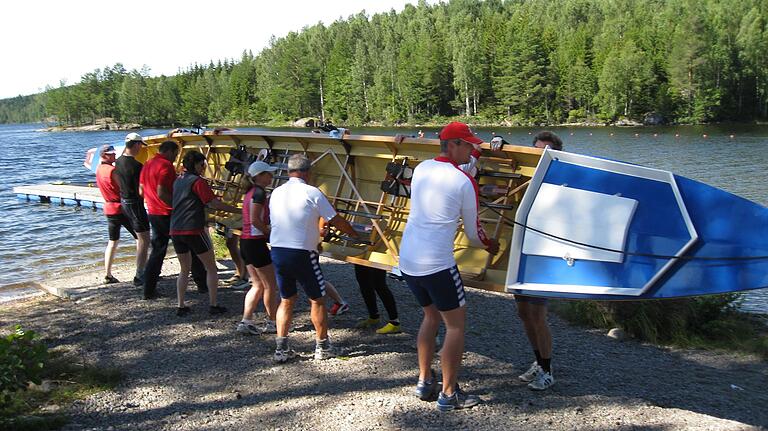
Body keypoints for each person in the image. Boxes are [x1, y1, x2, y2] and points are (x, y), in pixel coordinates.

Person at [399, 122, 499, 411]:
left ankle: (423, 381)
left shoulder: (422, 169)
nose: (472, 148)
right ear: (453, 144)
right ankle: (449, 393)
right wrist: (490, 245)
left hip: (408, 260)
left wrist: (476, 155)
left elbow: (455, 172)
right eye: (468, 144)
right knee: (455, 326)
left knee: (430, 317)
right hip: (437, 264)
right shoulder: (463, 182)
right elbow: (473, 233)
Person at [268, 154, 360, 362]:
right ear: (307, 172)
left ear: (289, 171)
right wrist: (354, 234)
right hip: (302, 252)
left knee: (286, 300)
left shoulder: (276, 192)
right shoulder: (312, 192)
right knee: (317, 299)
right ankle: (322, 346)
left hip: (278, 250)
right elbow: (334, 219)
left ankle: (281, 349)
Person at [513, 131, 562, 391]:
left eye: (545, 152)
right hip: (522, 252)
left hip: (543, 256)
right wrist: (499, 141)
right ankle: (538, 362)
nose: (539, 156)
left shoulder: (559, 179)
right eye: (536, 151)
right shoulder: (528, 175)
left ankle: (547, 369)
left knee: (538, 315)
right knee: (524, 314)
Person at [171, 150, 239, 316]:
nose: (204, 168)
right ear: (195, 165)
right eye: (202, 165)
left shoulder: (178, 180)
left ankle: (181, 306)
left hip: (175, 229)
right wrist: (237, 210)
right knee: (211, 268)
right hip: (193, 229)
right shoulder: (198, 182)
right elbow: (214, 203)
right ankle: (213, 304)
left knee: (184, 269)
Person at [139, 140, 209, 300]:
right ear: (170, 151)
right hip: (168, 213)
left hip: (153, 212)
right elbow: (162, 191)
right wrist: (176, 206)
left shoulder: (148, 163)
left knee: (157, 251)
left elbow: (141, 191)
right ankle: (202, 284)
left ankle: (148, 289)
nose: (175, 158)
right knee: (192, 245)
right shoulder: (165, 165)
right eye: (176, 154)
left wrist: (153, 202)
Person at [236, 161, 280, 335]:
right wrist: (269, 233)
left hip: (245, 242)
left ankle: (246, 320)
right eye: (268, 173)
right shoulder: (259, 193)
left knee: (257, 285)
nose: (271, 176)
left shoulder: (249, 192)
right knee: (270, 285)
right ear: (260, 176)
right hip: (255, 242)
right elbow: (255, 219)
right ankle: (271, 322)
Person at [95, 145, 138, 284]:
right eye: (111, 154)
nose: (114, 156)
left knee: (112, 241)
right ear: (104, 155)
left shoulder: (99, 169)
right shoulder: (112, 170)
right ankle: (141, 270)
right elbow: (123, 187)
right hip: (120, 207)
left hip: (108, 208)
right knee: (140, 237)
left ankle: (107, 274)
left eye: (114, 154)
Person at [114, 133, 151, 286]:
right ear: (136, 145)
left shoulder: (117, 162)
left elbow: (116, 180)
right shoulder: (137, 166)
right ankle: (140, 274)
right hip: (135, 203)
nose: (141, 148)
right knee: (144, 239)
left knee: (140, 237)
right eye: (140, 145)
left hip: (124, 202)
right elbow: (142, 190)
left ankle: (143, 270)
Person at [354, 265, 401, 334]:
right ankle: (373, 317)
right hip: (361, 256)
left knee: (379, 284)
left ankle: (395, 323)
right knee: (363, 283)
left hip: (378, 256)